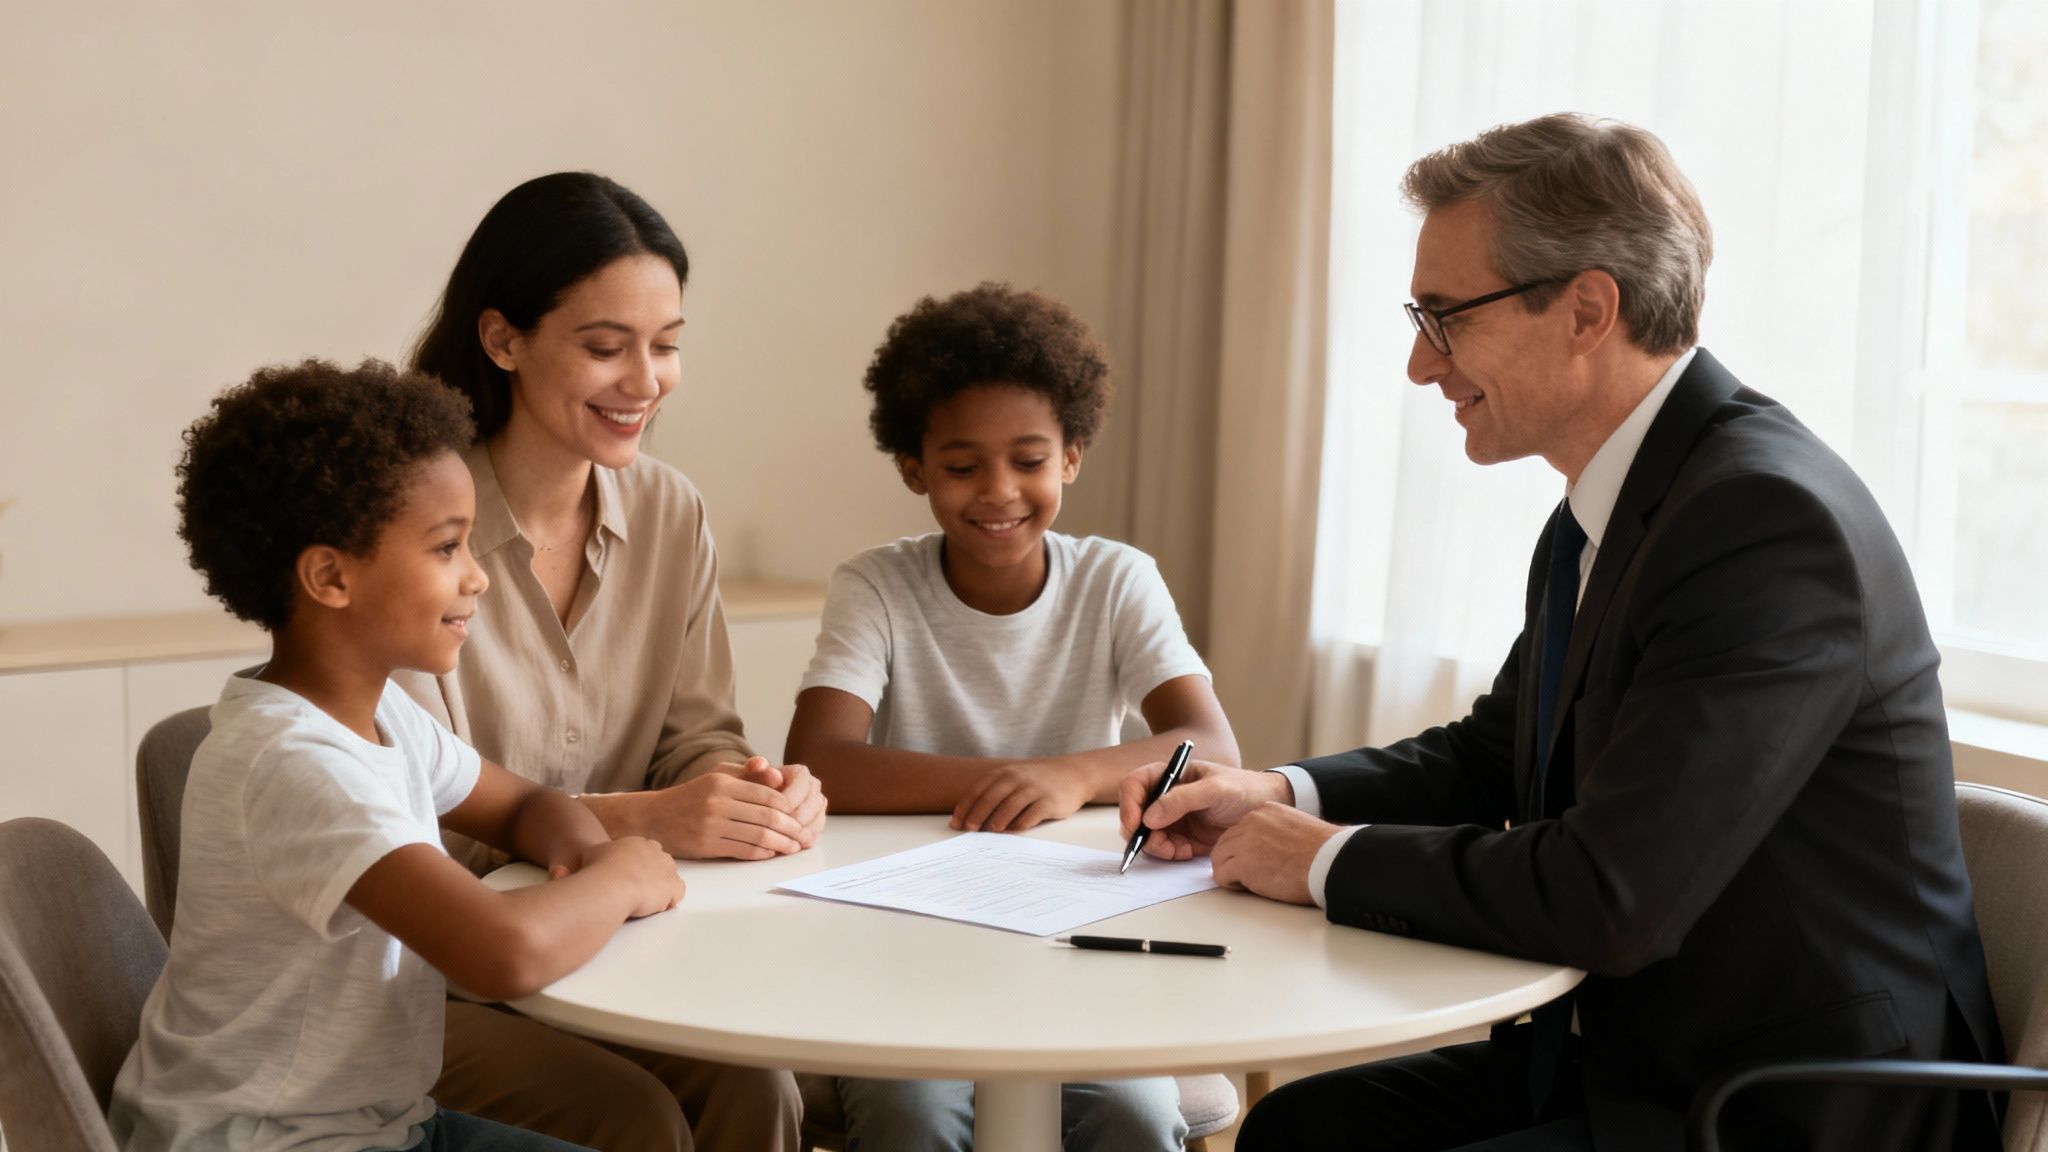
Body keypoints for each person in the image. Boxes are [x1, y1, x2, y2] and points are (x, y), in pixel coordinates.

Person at [1119, 114, 2003, 1152]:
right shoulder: (1618, 504)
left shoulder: (1762, 522)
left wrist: (1322, 860)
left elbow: (1610, 895)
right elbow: (1494, 755)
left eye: (1444, 317)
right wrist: (1275, 795)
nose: (1418, 364)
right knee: (1301, 1129)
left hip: (1788, 1104)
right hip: (1647, 1054)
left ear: (1587, 310)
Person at [109, 360, 688, 1152]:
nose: (478, 577)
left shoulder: (378, 713)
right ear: (330, 577)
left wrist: (587, 856)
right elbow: (501, 953)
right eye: (447, 548)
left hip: (381, 1124)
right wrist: (622, 877)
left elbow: (524, 805)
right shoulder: (294, 764)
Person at [399, 172, 814, 1152]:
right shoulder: (411, 531)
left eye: (665, 345)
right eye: (604, 347)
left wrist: (745, 792)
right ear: (503, 339)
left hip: (617, 942)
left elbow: (697, 735)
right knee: (632, 1119)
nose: (645, 381)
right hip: (427, 976)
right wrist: (646, 822)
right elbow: (418, 825)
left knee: (757, 1086)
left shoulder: (670, 511)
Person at [785, 282, 1239, 1151]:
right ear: (914, 468)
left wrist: (1067, 776)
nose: (999, 491)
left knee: (1137, 1117)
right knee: (912, 1119)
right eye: (963, 467)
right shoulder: (876, 585)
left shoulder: (1117, 579)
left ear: (1071, 457)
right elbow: (821, 762)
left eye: (1028, 460)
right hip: (906, 933)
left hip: (1083, 932)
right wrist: (1011, 783)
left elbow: (1213, 743)